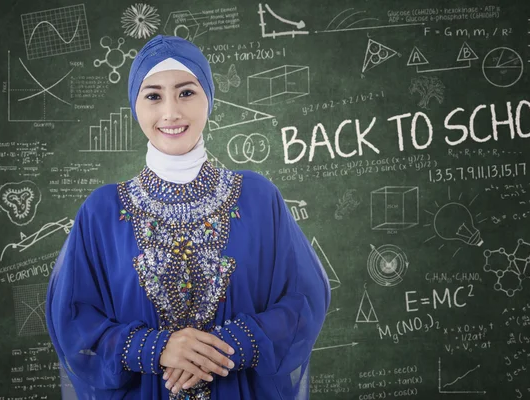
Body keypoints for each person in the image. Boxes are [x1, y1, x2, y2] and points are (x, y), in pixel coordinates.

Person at [45, 34, 331, 399]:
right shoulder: (101, 212)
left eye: (186, 92)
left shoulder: (259, 198)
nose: (171, 112)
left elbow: (302, 301)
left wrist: (223, 346)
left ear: (209, 99)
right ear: (135, 105)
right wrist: (156, 348)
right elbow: (73, 322)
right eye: (153, 96)